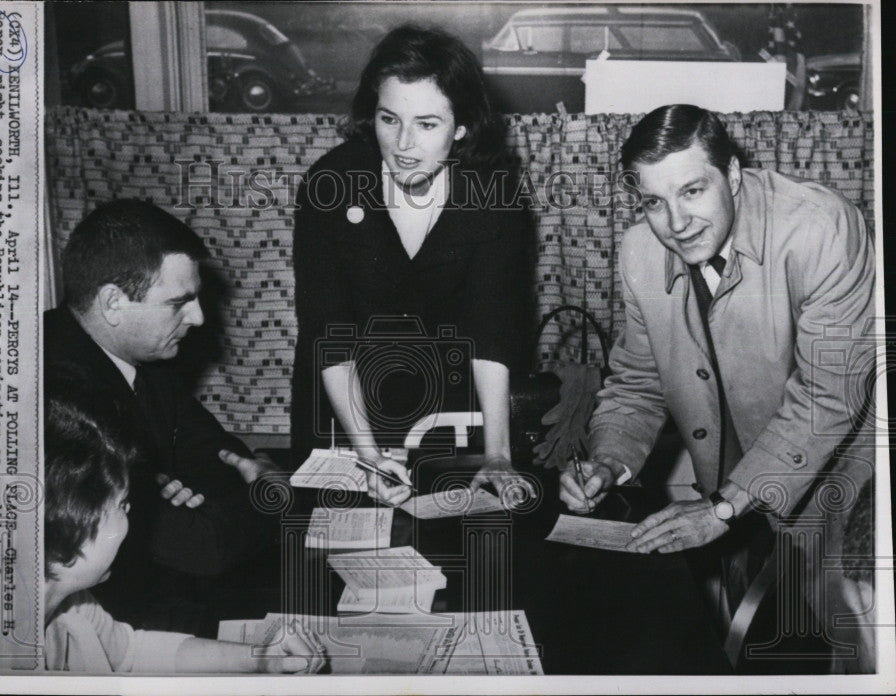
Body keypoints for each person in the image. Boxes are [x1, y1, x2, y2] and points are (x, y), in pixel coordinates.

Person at [560, 105, 874, 622]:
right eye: (654, 203)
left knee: (850, 651)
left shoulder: (821, 228)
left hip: (841, 487)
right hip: (729, 498)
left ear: (731, 174)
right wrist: (608, 461)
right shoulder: (639, 252)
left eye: (691, 191)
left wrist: (724, 507)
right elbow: (639, 382)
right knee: (748, 648)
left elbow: (828, 398)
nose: (677, 224)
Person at [291, 25, 534, 507]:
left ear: (461, 127)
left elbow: (492, 331)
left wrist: (498, 454)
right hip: (344, 405)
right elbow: (328, 332)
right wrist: (366, 454)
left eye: (427, 124)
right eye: (389, 119)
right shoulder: (330, 183)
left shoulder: (495, 197)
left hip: (445, 412)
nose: (403, 144)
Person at [44, 199, 279, 635]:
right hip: (115, 626)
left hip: (165, 595)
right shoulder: (58, 391)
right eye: (179, 302)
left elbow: (215, 451)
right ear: (113, 302)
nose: (199, 317)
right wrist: (269, 492)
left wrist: (195, 494)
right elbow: (201, 546)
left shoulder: (144, 358)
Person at [43, 393, 326, 674]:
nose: (132, 513)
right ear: (73, 521)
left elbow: (129, 652)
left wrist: (261, 657)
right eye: (122, 504)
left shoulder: (73, 602)